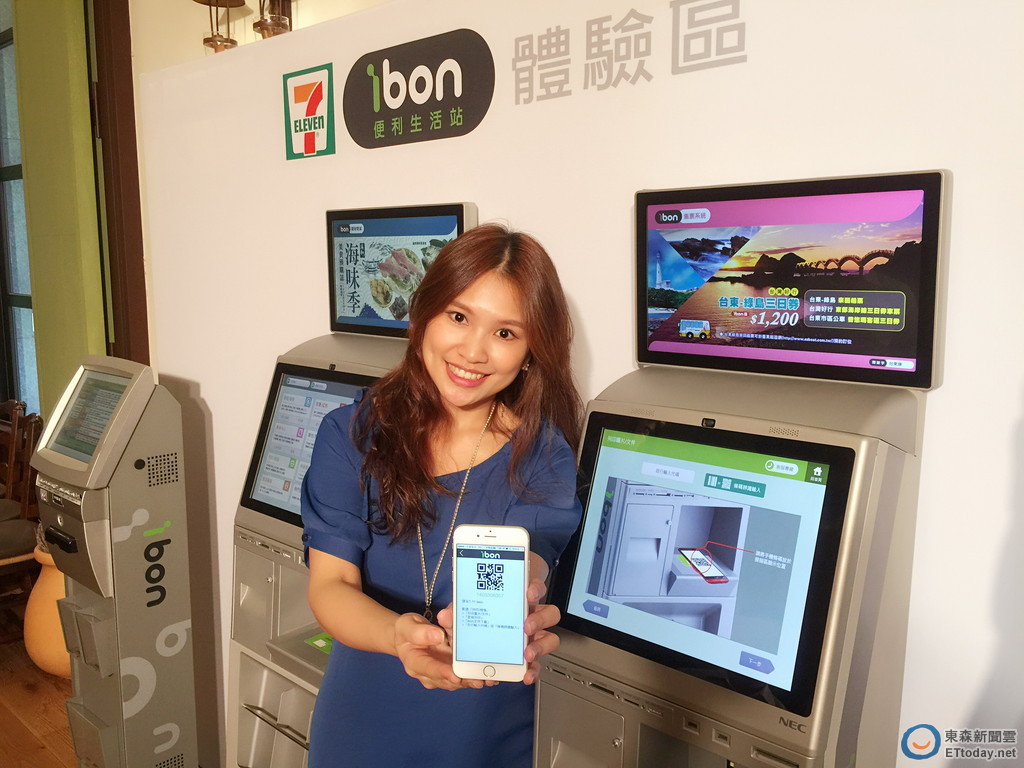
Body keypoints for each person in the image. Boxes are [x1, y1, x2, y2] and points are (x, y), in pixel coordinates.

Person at [301, 223, 584, 767]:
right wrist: (399, 636)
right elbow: (331, 586)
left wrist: (522, 604)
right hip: (361, 724)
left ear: (531, 352)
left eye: (506, 333)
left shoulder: (543, 454)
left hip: (482, 732)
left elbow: (530, 559)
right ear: (422, 316)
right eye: (458, 317)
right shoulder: (350, 435)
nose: (473, 352)